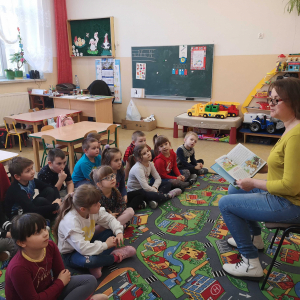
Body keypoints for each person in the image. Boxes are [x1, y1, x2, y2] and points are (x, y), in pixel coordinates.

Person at [219, 78, 300, 281]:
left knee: (226, 204)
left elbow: (290, 185)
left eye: (275, 100)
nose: (269, 105)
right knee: (235, 189)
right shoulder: (289, 128)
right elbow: (281, 167)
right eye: (269, 100)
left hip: (290, 203)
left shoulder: (296, 136)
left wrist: (254, 182)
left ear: (294, 101)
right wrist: (253, 166)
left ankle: (250, 263)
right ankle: (255, 239)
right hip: (283, 196)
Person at [5, 213, 108, 300]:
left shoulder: (50, 246)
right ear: (22, 242)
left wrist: (59, 283)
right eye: (37, 232)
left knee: (90, 281)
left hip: (48, 290)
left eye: (44, 228)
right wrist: (59, 283)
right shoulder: (18, 268)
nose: (45, 233)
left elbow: (62, 274)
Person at [54, 184, 136, 279]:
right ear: (83, 209)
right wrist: (106, 245)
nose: (99, 204)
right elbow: (83, 248)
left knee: (113, 228)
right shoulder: (71, 222)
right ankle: (115, 256)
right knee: (91, 261)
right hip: (72, 253)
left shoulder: (91, 211)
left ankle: (100, 261)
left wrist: (118, 232)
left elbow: (110, 220)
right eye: (96, 203)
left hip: (88, 242)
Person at [127, 144, 182, 210]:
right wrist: (154, 191)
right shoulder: (138, 168)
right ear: (139, 159)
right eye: (144, 153)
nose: (148, 153)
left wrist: (155, 187)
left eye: (148, 151)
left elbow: (158, 178)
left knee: (168, 184)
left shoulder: (150, 163)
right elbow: (145, 187)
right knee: (151, 194)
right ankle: (169, 195)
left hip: (145, 188)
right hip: (137, 191)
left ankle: (155, 199)